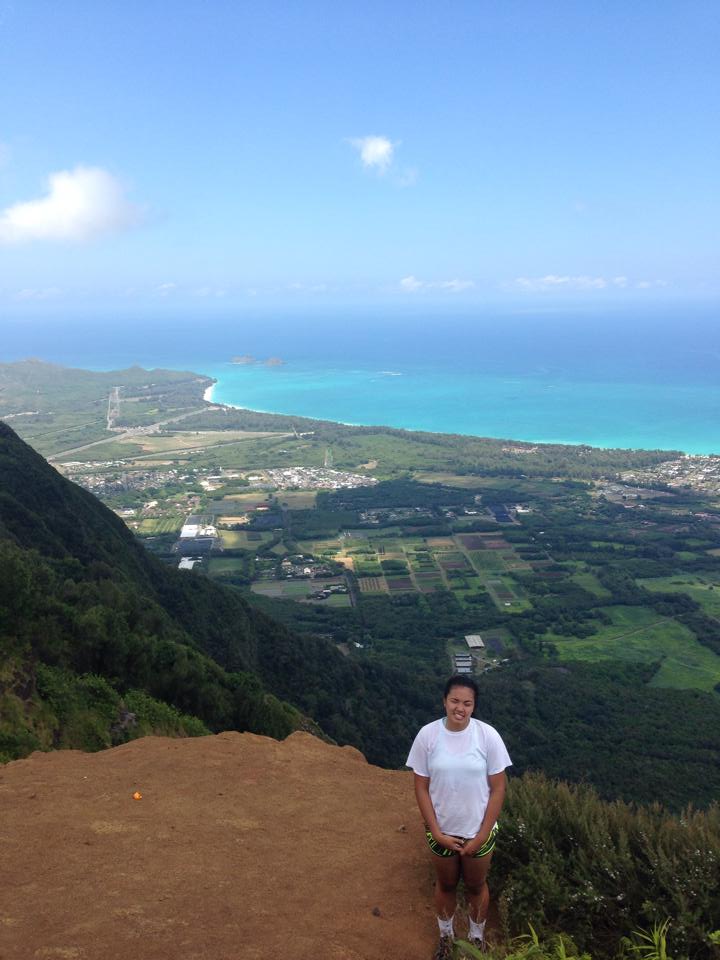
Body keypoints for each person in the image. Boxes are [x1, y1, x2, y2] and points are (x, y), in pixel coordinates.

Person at [406, 675, 511, 958]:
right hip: (442, 830)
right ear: (444, 700)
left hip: (478, 829)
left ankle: (476, 938)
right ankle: (446, 937)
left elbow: (498, 788)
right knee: (447, 884)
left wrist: (483, 834)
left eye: (467, 703)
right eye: (454, 701)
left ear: (474, 706)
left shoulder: (487, 735)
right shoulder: (427, 735)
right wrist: (436, 831)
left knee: (476, 886)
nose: (460, 708)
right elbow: (421, 786)